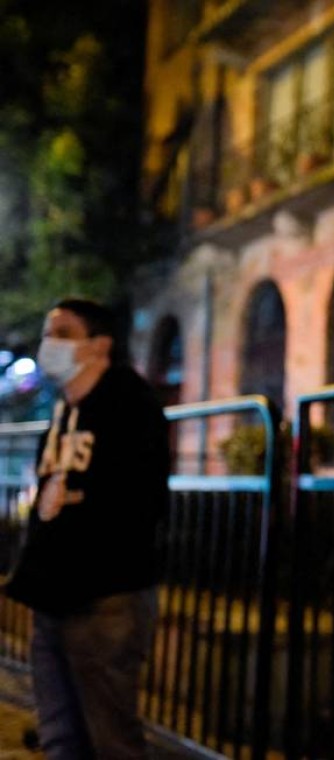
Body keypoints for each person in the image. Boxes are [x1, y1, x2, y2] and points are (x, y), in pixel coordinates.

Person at [5, 298, 169, 760]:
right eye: (47, 332)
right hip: (53, 596)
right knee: (60, 734)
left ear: (100, 345)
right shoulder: (64, 411)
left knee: (110, 738)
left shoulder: (129, 406)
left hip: (103, 598)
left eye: (62, 333)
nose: (48, 344)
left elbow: (139, 504)